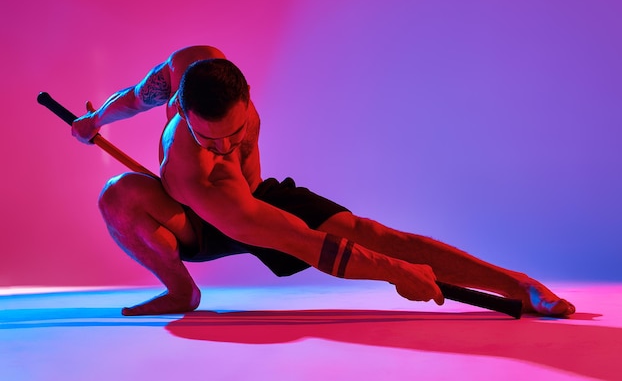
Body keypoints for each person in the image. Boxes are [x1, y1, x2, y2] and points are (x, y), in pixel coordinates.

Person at [72, 45, 575, 317]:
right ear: (182, 109)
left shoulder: (192, 64)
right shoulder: (195, 175)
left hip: (253, 198)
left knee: (375, 234)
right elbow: (306, 244)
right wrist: (394, 273)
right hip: (202, 222)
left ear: (246, 95)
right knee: (119, 194)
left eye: (234, 134)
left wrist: (97, 122)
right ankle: (181, 292)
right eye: (209, 141)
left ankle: (519, 286)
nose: (223, 149)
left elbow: (135, 97)